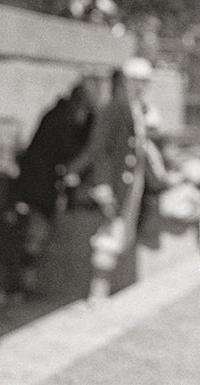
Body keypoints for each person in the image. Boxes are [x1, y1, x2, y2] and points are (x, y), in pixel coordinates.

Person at [63, 58, 156, 301]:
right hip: (116, 182)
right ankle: (98, 292)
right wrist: (103, 184)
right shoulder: (114, 108)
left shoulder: (137, 108)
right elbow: (100, 149)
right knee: (109, 235)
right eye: (136, 81)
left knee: (120, 233)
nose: (141, 87)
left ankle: (107, 290)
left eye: (145, 82)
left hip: (131, 183)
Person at [12, 82, 94, 293]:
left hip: (39, 183)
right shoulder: (62, 120)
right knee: (34, 236)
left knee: (35, 235)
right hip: (39, 187)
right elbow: (68, 151)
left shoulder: (59, 115)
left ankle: (26, 283)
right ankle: (24, 285)